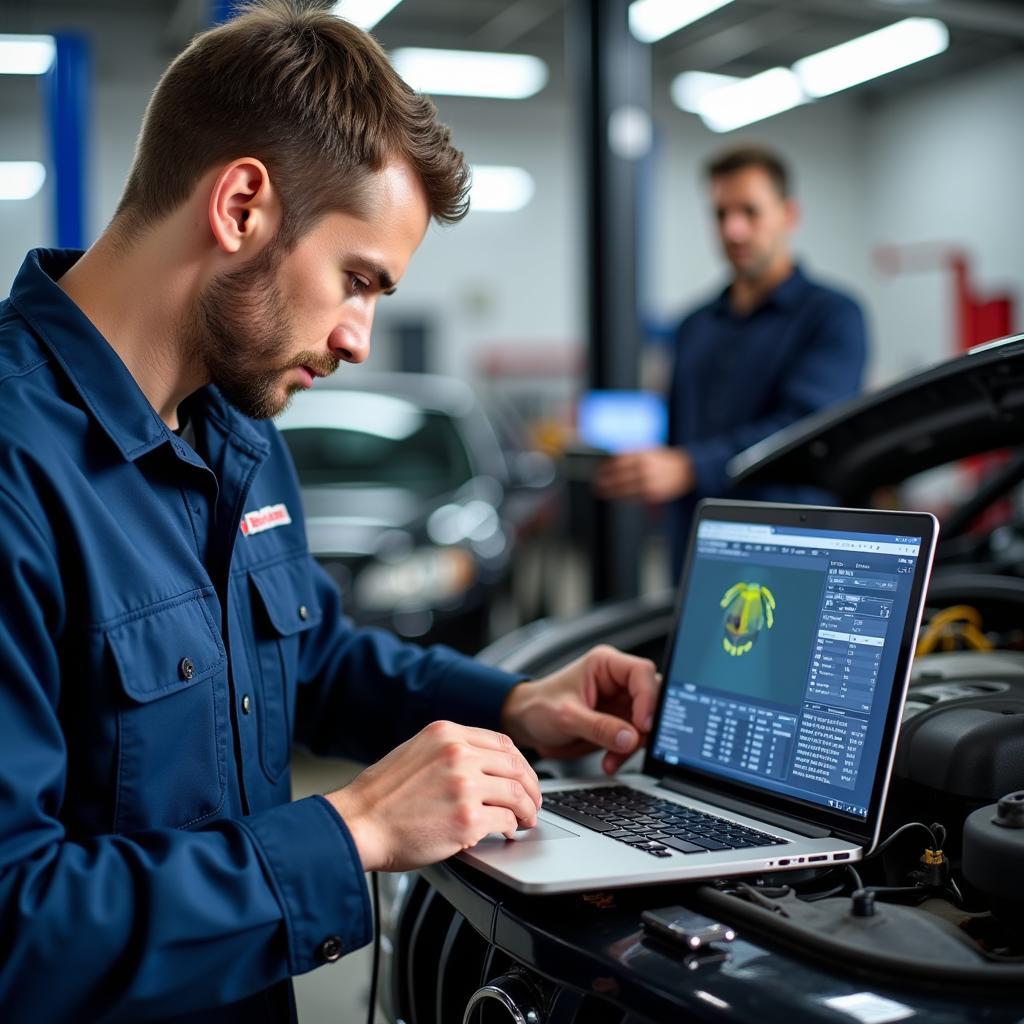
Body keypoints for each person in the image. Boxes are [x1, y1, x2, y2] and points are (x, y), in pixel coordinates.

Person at [0, 4, 660, 1021]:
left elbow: (306, 663)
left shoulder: (240, 433)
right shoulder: (16, 470)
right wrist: (348, 833)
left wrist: (515, 704)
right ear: (242, 207)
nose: (358, 337)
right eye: (356, 281)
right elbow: (15, 923)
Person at [594, 145, 867, 579]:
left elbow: (806, 429)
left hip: (790, 557)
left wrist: (688, 467)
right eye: (721, 214)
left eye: (750, 212)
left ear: (788, 215)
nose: (734, 230)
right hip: (695, 556)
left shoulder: (833, 317)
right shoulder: (694, 326)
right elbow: (679, 431)